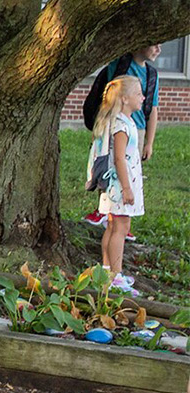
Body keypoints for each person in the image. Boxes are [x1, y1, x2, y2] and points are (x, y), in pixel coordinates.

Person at [84, 43, 161, 241]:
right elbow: (107, 96)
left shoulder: (152, 75)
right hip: (115, 126)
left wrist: (149, 142)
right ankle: (106, 210)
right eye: (154, 44)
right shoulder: (118, 65)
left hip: (137, 129)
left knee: (130, 170)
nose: (158, 50)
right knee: (109, 166)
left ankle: (124, 218)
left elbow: (152, 109)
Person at [93, 75, 146, 292]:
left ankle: (106, 271)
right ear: (124, 99)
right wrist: (127, 188)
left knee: (113, 225)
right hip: (120, 185)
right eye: (138, 94)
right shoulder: (121, 125)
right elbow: (119, 159)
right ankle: (116, 276)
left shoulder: (123, 121)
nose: (143, 98)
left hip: (116, 186)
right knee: (121, 228)